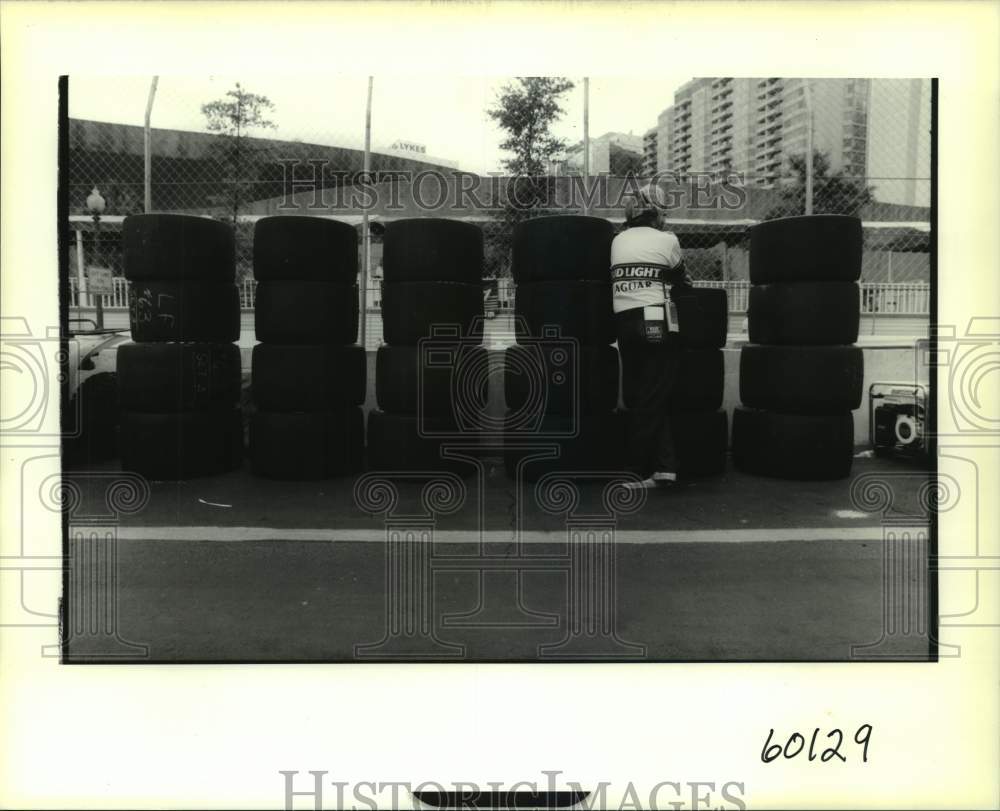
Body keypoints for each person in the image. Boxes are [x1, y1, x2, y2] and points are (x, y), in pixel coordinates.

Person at [611, 183, 694, 490]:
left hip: (624, 320)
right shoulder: (667, 239)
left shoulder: (616, 241)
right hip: (653, 316)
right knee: (655, 393)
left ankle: (665, 467)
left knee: (638, 393)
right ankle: (638, 470)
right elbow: (681, 278)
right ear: (656, 213)